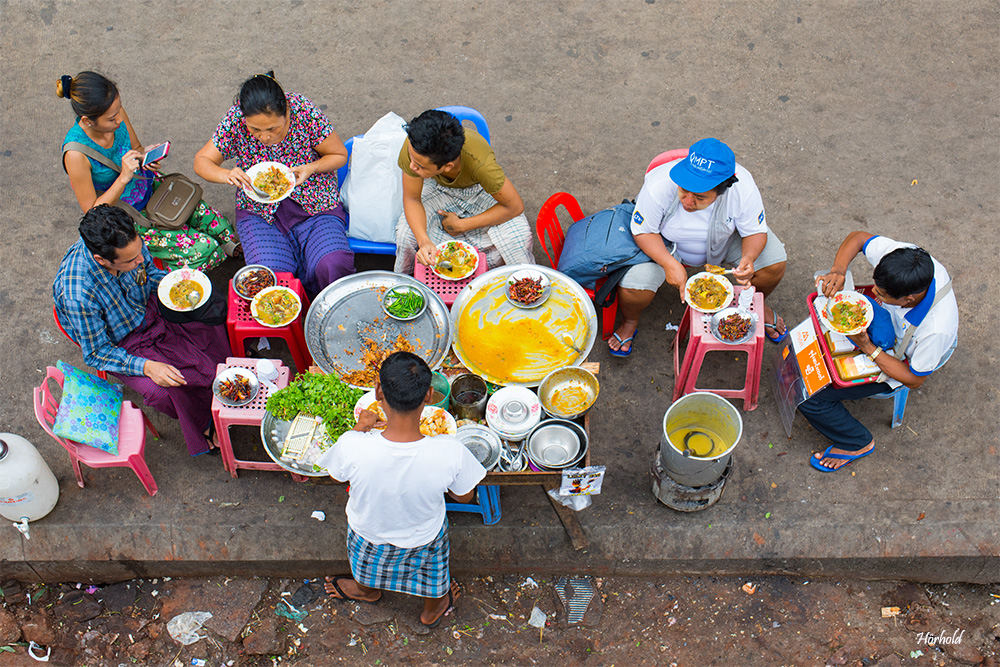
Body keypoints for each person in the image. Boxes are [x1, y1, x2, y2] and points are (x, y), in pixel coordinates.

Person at [317, 352, 486, 628]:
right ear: (429, 395)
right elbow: (464, 496)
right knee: (434, 573)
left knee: (365, 567)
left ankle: (366, 591)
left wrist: (360, 428)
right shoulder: (450, 450)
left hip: (368, 532)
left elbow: (337, 476)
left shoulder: (353, 444)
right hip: (424, 536)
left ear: (379, 392)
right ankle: (434, 608)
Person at [53, 205, 231, 456]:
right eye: (130, 260)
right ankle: (203, 422)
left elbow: (150, 274)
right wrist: (147, 367)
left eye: (139, 252)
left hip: (148, 306)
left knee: (210, 317)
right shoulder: (78, 295)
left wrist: (178, 286)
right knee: (165, 389)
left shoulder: (128, 244)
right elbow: (96, 353)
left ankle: (227, 374)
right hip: (122, 343)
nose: (140, 260)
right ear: (102, 260)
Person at [611, 138, 788, 356]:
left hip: (724, 239)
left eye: (700, 197)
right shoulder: (659, 184)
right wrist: (669, 263)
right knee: (634, 285)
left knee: (774, 262)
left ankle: (754, 304)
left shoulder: (743, 189)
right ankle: (630, 320)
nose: (687, 201)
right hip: (666, 243)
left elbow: (754, 231)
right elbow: (643, 231)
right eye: (684, 190)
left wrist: (748, 258)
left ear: (722, 190)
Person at [799, 232, 958, 472]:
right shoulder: (907, 259)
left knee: (810, 395)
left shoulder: (935, 330)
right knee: (819, 334)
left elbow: (914, 379)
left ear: (908, 299)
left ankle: (856, 442)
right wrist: (838, 271)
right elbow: (859, 238)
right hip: (886, 325)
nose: (874, 292)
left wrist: (866, 346)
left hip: (902, 359)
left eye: (882, 294)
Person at [58, 71, 238, 271]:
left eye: (118, 111)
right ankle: (158, 280)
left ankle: (227, 250)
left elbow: (137, 147)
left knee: (221, 227)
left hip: (152, 188)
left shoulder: (116, 113)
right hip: (128, 216)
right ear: (87, 121)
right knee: (205, 251)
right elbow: (93, 213)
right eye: (111, 119)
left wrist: (145, 157)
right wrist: (123, 178)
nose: (118, 120)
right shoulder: (75, 154)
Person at [194, 72, 354, 295]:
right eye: (255, 130)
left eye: (273, 129)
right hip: (258, 211)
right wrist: (227, 174)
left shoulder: (303, 110)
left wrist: (312, 167)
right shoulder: (236, 119)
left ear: (287, 111)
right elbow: (202, 161)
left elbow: (338, 154)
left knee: (332, 263)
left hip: (315, 202)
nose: (264, 137)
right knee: (269, 278)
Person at [394, 109, 533, 274]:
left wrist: (462, 225)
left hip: (479, 192)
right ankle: (407, 281)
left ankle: (492, 274)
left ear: (447, 167)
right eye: (412, 159)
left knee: (519, 238)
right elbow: (412, 199)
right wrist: (423, 241)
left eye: (420, 166)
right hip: (436, 188)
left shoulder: (481, 164)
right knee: (405, 235)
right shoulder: (414, 147)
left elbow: (515, 206)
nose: (411, 166)